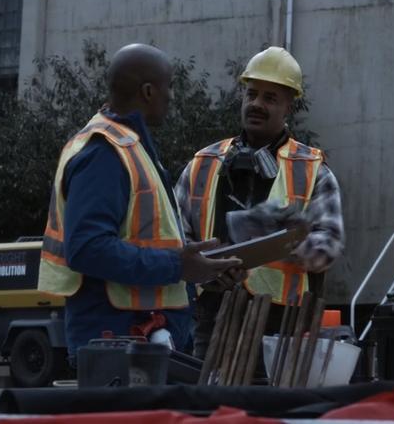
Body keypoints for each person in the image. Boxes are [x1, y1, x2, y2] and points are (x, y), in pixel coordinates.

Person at [37, 43, 243, 361]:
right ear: (148, 91)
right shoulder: (104, 152)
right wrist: (178, 265)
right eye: (169, 86)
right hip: (118, 342)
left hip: (141, 339)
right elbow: (87, 248)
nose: (172, 96)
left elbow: (146, 239)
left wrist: (201, 270)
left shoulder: (129, 146)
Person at [174, 46, 345, 359]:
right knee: (209, 405)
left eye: (270, 98)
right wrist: (207, 270)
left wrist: (286, 236)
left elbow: (328, 249)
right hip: (214, 320)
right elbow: (175, 242)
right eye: (251, 94)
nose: (257, 104)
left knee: (274, 408)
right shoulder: (203, 164)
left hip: (283, 328)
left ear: (288, 107)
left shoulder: (313, 170)